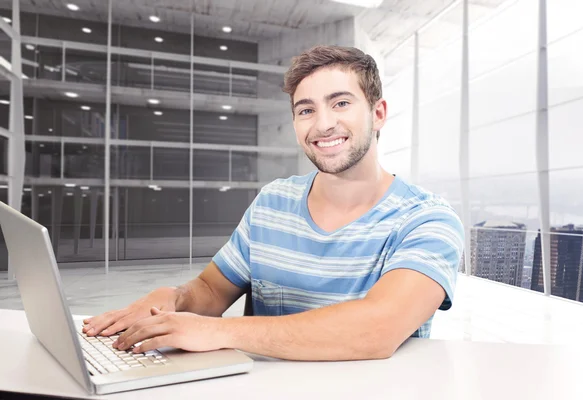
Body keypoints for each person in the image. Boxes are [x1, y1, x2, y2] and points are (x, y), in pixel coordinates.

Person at [83, 45, 464, 361]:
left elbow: (376, 329)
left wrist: (213, 331)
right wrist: (176, 300)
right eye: (306, 110)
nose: (323, 124)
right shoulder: (273, 201)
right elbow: (213, 291)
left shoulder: (428, 220)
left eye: (341, 103)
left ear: (377, 113)